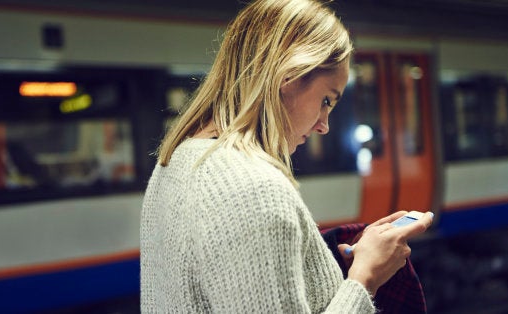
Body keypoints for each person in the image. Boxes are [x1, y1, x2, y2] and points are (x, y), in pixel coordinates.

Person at [140, 0, 434, 312]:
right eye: (325, 100)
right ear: (289, 75)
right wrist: (365, 278)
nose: (324, 125)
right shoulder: (257, 189)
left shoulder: (175, 160)